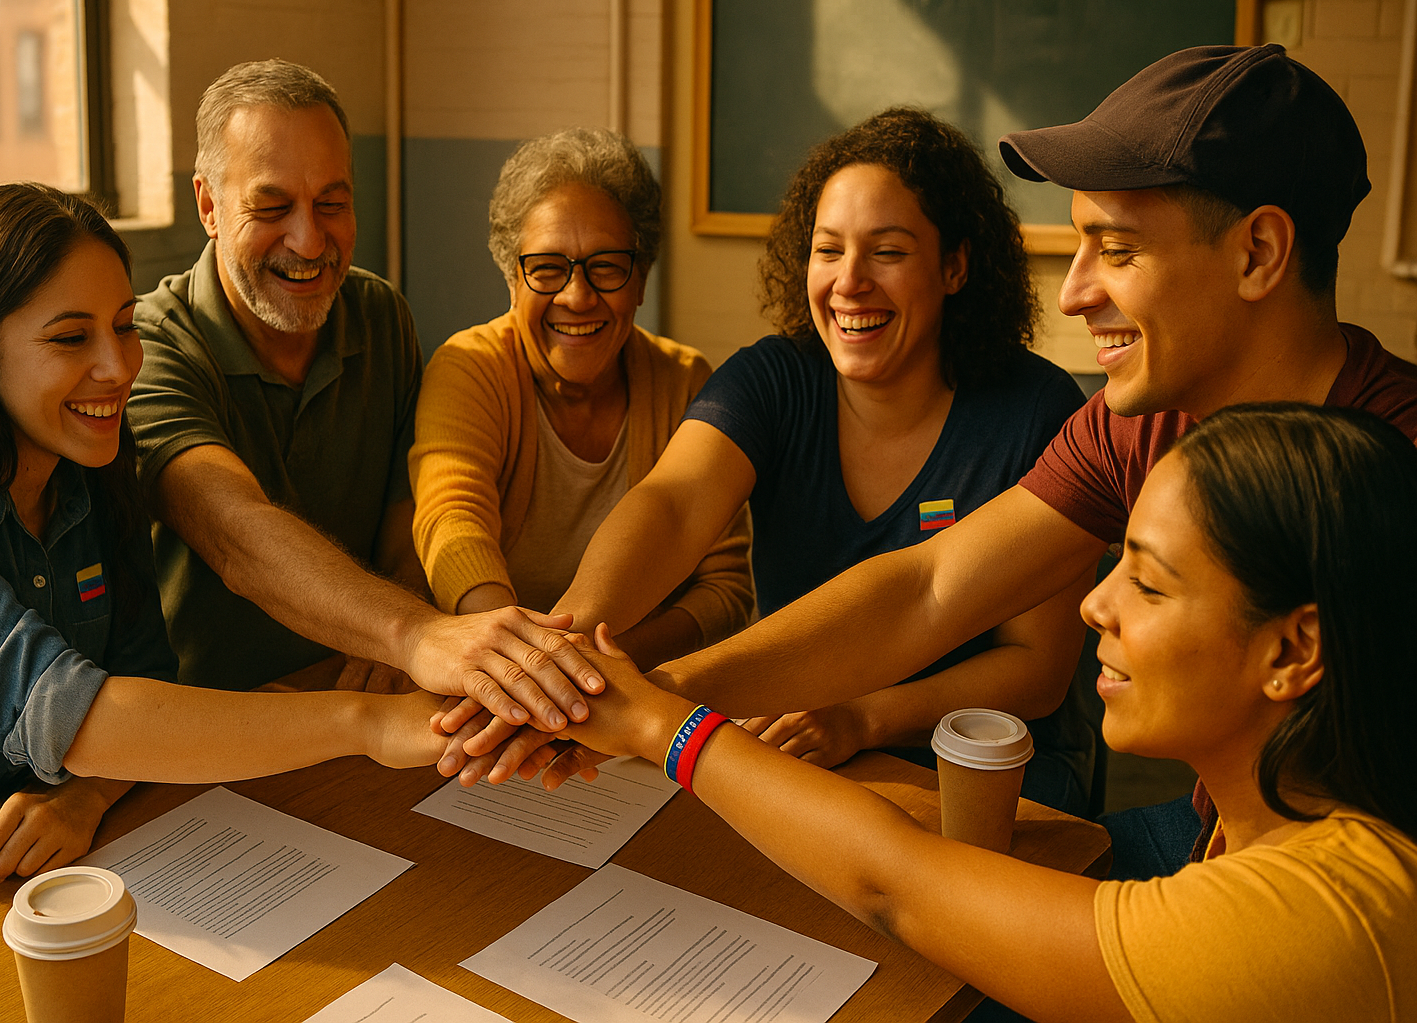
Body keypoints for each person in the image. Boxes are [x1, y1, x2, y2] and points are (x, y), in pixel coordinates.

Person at [469, 44, 1417, 868]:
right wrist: (628, 690)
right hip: (1218, 832)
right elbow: (927, 588)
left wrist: (657, 711)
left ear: (1258, 253)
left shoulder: (1391, 471)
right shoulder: (1135, 421)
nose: (1077, 293)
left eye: (1116, 250)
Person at [552, 403, 1417, 1022]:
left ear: (1294, 652)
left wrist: (660, 727)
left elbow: (898, 883)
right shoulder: (1276, 826)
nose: (1094, 606)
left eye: (1149, 585)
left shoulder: (1311, 919)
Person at [0, 183, 449, 892]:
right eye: (70, 338)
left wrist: (83, 797)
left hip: (41, 874)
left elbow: (142, 682)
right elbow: (63, 709)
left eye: (124, 326)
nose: (118, 368)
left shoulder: (98, 469)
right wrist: (367, 723)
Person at [549, 108, 1089, 810]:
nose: (850, 282)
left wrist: (859, 715)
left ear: (954, 266)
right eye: (828, 250)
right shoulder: (773, 379)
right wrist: (564, 644)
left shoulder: (1036, 411)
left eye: (887, 252)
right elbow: (675, 503)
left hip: (982, 771)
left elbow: (1037, 668)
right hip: (800, 749)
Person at [127, 60, 601, 732]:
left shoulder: (379, 313)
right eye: (271, 207)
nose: (309, 240)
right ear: (208, 204)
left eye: (332, 203)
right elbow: (236, 533)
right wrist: (413, 632)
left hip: (361, 707)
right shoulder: (149, 346)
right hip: (209, 730)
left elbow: (406, 504)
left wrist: (403, 609)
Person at [409, 127, 753, 677]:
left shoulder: (687, 383)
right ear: (511, 278)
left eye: (607, 266)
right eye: (546, 268)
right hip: (495, 682)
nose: (577, 296)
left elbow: (725, 588)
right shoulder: (471, 367)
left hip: (629, 686)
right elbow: (453, 522)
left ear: (640, 279)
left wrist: (597, 668)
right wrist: (523, 666)